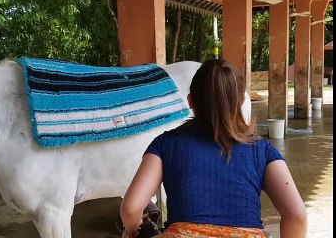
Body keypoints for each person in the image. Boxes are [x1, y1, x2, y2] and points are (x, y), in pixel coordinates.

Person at [120, 59, 307, 238]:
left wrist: (133, 232)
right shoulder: (262, 150)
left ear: (190, 101)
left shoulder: (165, 144)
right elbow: (296, 215)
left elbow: (131, 208)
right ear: (240, 102)